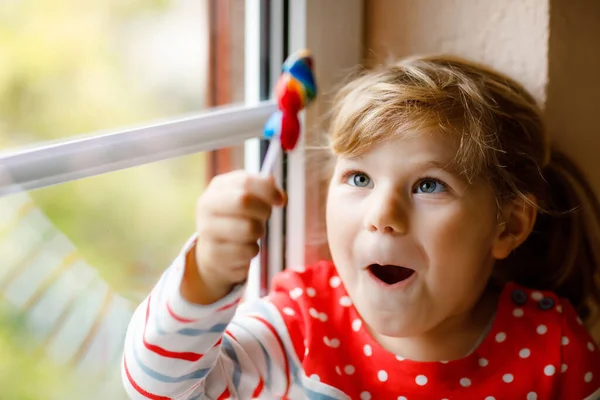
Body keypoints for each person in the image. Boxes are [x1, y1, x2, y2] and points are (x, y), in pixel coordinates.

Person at [121, 56, 600, 399]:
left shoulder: (552, 347)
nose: (383, 215)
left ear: (509, 226)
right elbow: (159, 389)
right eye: (359, 178)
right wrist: (206, 271)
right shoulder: (298, 327)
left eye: (429, 185)